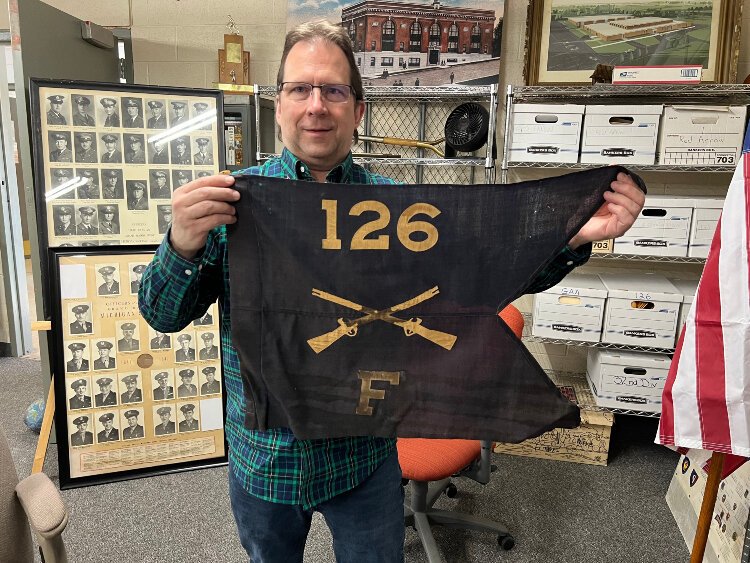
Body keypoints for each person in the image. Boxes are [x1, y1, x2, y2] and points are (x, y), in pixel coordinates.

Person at [139, 21, 646, 562]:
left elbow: (495, 272)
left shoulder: (403, 212)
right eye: (300, 89)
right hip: (265, 457)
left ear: (358, 111)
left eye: (334, 90)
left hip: (363, 458)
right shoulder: (231, 209)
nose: (316, 105)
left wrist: (571, 234)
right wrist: (182, 243)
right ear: (279, 103)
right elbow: (162, 314)